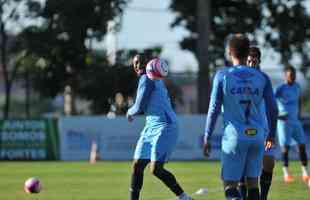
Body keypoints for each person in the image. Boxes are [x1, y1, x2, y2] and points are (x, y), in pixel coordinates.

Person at [204, 34, 278, 200]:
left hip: (235, 137)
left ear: (230, 52)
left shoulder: (223, 76)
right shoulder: (262, 78)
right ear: (247, 53)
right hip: (257, 136)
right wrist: (271, 134)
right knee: (253, 183)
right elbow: (273, 109)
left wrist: (207, 135)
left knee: (230, 185)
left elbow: (214, 108)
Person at [127, 54, 193, 200]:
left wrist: (129, 112)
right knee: (137, 165)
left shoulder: (147, 78)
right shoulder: (152, 78)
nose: (138, 65)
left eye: (141, 62)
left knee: (156, 169)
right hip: (150, 126)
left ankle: (184, 197)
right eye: (135, 63)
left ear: (148, 64)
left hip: (165, 126)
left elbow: (140, 106)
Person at [238, 46, 276, 200]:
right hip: (244, 128)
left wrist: (271, 133)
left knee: (269, 164)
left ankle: (263, 197)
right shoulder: (238, 79)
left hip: (263, 129)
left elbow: (272, 107)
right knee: (243, 168)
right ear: (245, 61)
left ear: (259, 61)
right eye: (249, 60)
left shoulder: (264, 80)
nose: (252, 63)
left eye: (254, 60)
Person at [275, 65, 310, 183]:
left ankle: (305, 173)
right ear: (285, 76)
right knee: (285, 147)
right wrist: (278, 115)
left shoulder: (297, 86)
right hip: (283, 122)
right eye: (291, 75)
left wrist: (299, 113)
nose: (293, 77)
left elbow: (298, 100)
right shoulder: (279, 88)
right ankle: (286, 174)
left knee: (302, 145)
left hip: (295, 121)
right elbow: (269, 102)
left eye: (294, 75)